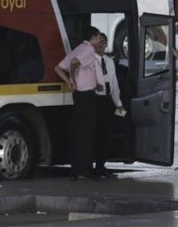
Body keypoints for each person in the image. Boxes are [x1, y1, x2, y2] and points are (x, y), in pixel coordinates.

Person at [54, 26, 102, 181]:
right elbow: (74, 63)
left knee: (78, 133)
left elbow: (58, 68)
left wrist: (69, 80)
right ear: (93, 38)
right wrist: (72, 78)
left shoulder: (79, 48)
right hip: (87, 96)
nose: (99, 40)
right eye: (98, 37)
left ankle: (76, 171)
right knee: (87, 134)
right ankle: (84, 171)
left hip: (78, 96)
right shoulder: (88, 50)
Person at [92, 34, 126, 178]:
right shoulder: (90, 60)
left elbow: (114, 84)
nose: (102, 45)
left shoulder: (109, 61)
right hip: (94, 101)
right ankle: (90, 167)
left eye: (104, 42)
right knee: (94, 135)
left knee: (105, 136)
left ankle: (101, 167)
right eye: (99, 42)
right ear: (93, 44)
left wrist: (119, 104)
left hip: (107, 101)